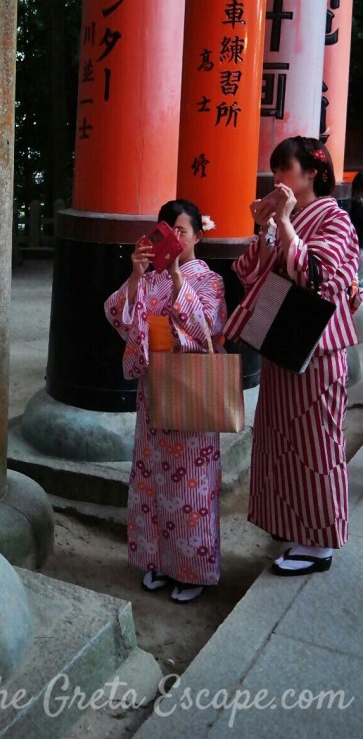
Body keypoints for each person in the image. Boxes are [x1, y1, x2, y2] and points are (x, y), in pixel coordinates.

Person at [224, 136, 360, 576]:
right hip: (281, 344)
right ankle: (292, 525)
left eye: (286, 167)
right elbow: (248, 272)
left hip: (317, 351)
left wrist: (283, 222)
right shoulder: (291, 217)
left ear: (314, 173)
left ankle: (319, 542)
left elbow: (315, 278)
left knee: (317, 441)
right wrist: (265, 228)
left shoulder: (336, 221)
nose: (278, 176)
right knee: (281, 439)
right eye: (276, 167)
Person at [105, 200, 226, 603]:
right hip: (154, 390)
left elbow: (208, 326)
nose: (174, 239)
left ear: (198, 236)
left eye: (182, 231)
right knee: (152, 479)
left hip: (189, 387)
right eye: (167, 232)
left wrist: (176, 278)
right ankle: (156, 560)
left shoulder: (208, 280)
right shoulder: (150, 277)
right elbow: (118, 315)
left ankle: (192, 570)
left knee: (191, 484)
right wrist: (137, 277)